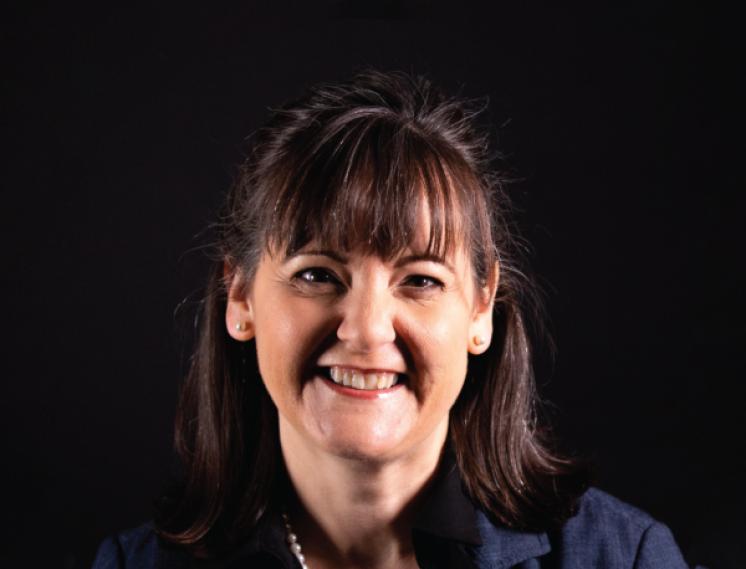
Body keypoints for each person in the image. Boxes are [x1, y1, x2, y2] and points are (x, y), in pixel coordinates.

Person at [93, 70, 695, 568]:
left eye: (421, 281)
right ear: (241, 296)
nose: (366, 330)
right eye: (317, 275)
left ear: (480, 309)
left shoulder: (622, 557)